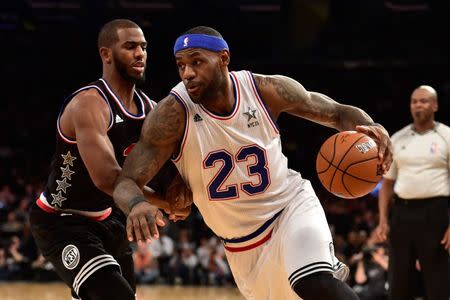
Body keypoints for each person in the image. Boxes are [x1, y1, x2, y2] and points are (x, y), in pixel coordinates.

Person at [114, 26, 392, 300]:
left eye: (197, 62)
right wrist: (137, 204)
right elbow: (126, 182)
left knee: (314, 282)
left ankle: (321, 264)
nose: (187, 73)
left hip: (289, 208)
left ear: (223, 59)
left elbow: (336, 113)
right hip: (240, 246)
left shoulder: (264, 90)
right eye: (181, 65)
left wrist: (371, 128)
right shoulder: (172, 115)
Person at [29, 19, 190, 300]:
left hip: (109, 219)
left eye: (144, 47)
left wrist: (182, 195)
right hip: (62, 220)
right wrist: (158, 203)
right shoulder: (89, 104)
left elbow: (170, 169)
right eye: (130, 46)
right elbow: (107, 178)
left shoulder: (151, 110)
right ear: (106, 54)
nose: (140, 53)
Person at [374, 85, 450, 300]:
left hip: (435, 214)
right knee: (398, 282)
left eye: (424, 101)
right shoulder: (398, 138)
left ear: (435, 105)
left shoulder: (446, 136)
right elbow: (387, 183)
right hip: (402, 214)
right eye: (414, 101)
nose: (418, 104)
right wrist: (382, 220)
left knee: (438, 284)